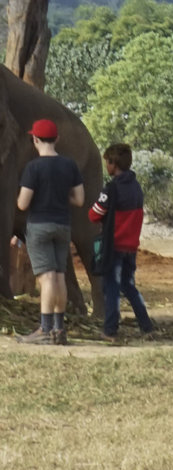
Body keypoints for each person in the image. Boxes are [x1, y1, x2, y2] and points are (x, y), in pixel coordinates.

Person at [14, 119, 87, 347]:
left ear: (35, 139)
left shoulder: (33, 168)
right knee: (58, 276)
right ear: (57, 139)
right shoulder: (69, 165)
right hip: (62, 225)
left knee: (46, 279)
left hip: (40, 226)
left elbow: (23, 204)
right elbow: (79, 199)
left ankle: (44, 330)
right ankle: (59, 328)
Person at [94, 143, 152, 338]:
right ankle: (146, 325)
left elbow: (95, 214)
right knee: (129, 286)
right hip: (131, 246)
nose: (106, 167)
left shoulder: (111, 188)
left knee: (111, 288)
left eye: (107, 163)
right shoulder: (136, 187)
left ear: (113, 164)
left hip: (114, 246)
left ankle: (110, 329)